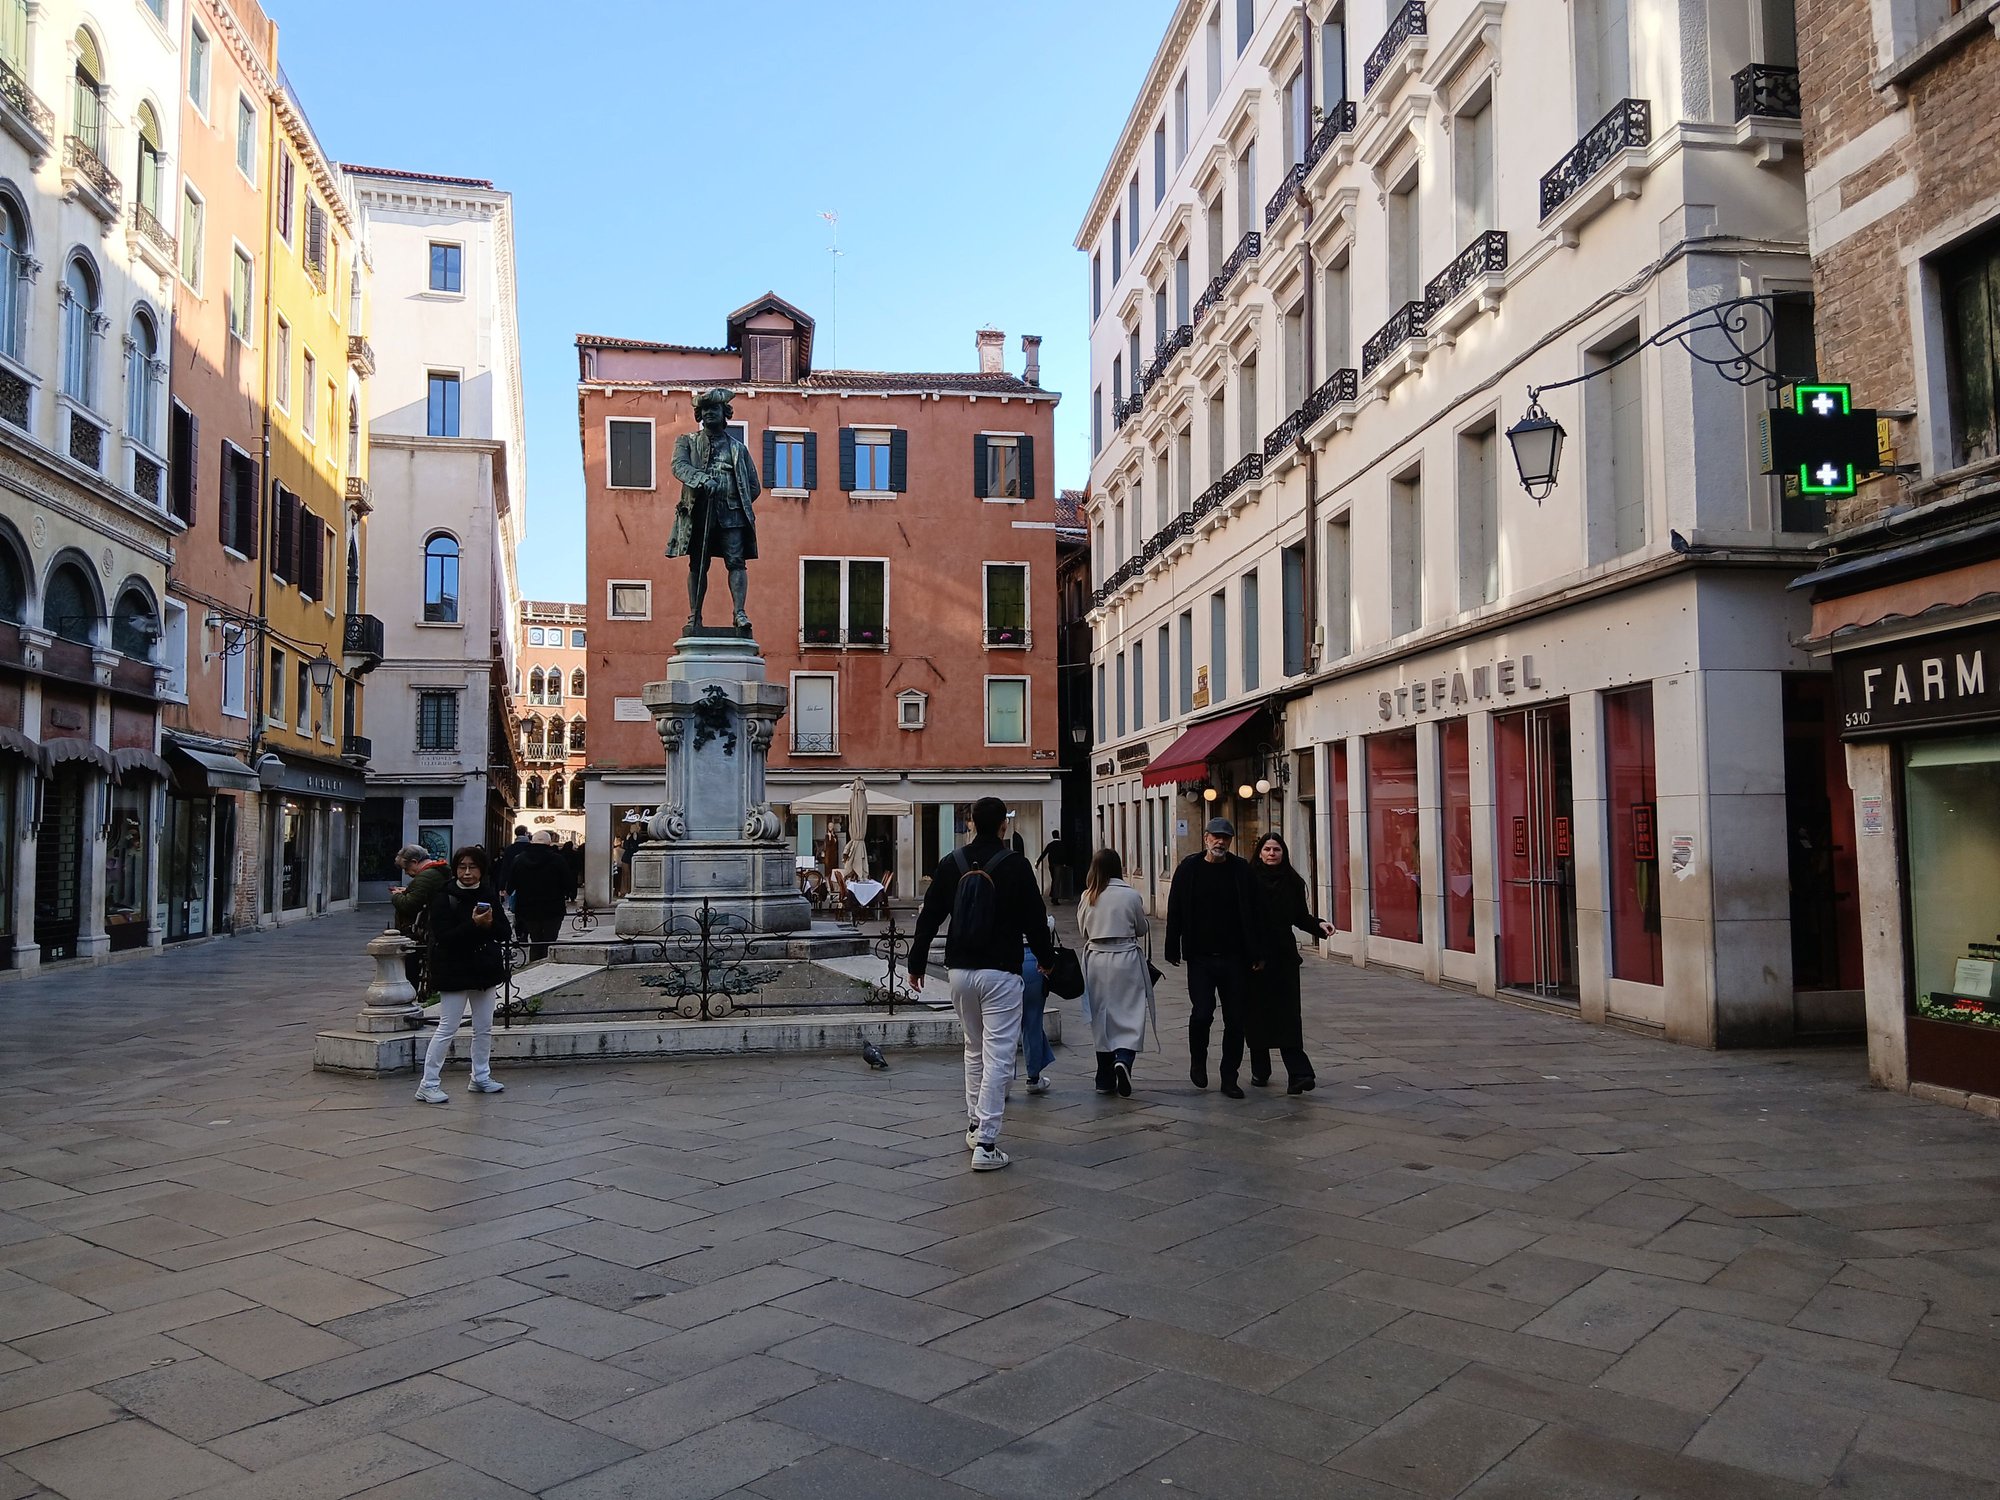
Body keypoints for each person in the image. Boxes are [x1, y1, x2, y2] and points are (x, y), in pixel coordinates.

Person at [907, 796, 1055, 1171]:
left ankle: (975, 1123)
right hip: (1001, 970)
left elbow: (929, 917)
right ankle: (987, 1143)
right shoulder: (1017, 865)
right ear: (1003, 825)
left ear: (970, 822)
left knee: (973, 1048)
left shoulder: (951, 863)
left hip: (959, 970)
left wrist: (916, 961)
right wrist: (1048, 962)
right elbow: (1036, 920)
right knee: (1000, 1055)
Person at [1163, 816, 1264, 1099]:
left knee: (1235, 1020)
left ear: (1231, 841)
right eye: (1215, 837)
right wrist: (1172, 946)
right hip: (1201, 957)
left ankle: (1229, 1077)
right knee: (1202, 1013)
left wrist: (1257, 952)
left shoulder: (1241, 870)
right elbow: (1176, 909)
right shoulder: (1189, 869)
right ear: (1205, 838)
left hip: (1235, 957)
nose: (1220, 842)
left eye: (1226, 838)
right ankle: (1198, 1061)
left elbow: (1255, 913)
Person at [416, 846, 512, 1104]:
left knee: (484, 1027)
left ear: (482, 870)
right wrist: (474, 925)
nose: (467, 872)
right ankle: (428, 1083)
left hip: (484, 970)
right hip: (454, 969)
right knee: (447, 1027)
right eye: (462, 867)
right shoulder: (443, 896)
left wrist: (490, 923)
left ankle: (480, 1075)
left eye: (472, 867)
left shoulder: (488, 894)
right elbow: (444, 937)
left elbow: (504, 933)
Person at [667, 386, 761, 631]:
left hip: (732, 514)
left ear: (725, 412)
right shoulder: (686, 442)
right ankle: (695, 615)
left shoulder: (738, 449)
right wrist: (702, 480)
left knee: (736, 562)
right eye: (705, 409)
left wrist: (735, 496)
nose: (709, 413)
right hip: (699, 513)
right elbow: (679, 466)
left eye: (714, 409)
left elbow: (754, 486)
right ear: (699, 415)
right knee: (697, 564)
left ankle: (740, 613)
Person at [1246, 833, 1333, 1094]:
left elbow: (1299, 916)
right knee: (1256, 1014)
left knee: (1288, 1016)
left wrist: (1319, 925)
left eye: (1277, 850)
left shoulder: (1293, 881)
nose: (1272, 853)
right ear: (1259, 852)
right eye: (1267, 849)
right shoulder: (1248, 880)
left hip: (1283, 957)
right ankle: (1260, 1070)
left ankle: (1299, 1073)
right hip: (1255, 957)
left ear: (1283, 853)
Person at [1078, 847, 1153, 1097]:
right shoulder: (1131, 895)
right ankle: (1124, 1059)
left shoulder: (1088, 896)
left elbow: (1083, 931)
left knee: (1101, 1016)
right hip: (1126, 959)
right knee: (1130, 1013)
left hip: (1097, 960)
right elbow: (1141, 928)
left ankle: (1104, 1078)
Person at [389, 844, 449, 992]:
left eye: (406, 868)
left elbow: (409, 905)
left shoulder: (426, 876)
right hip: (428, 929)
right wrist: (408, 891)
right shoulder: (435, 872)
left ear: (415, 862)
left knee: (411, 969)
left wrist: (397, 896)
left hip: (419, 932)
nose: (407, 873)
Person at [510, 830, 575, 960]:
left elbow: (512, 884)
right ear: (549, 843)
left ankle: (534, 968)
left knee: (535, 939)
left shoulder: (519, 859)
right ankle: (546, 968)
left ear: (532, 842)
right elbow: (568, 883)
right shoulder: (557, 860)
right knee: (549, 940)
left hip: (527, 908)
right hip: (553, 908)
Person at [1020, 932, 1055, 1095]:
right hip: (1032, 960)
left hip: (1003, 961)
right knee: (1032, 1022)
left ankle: (1000, 1082)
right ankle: (1033, 1077)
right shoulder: (1031, 905)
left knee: (1001, 1025)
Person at [497, 825, 531, 903]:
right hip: (528, 880)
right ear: (526, 833)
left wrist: (502, 885)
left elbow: (505, 868)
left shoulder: (509, 849)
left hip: (512, 881)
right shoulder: (531, 848)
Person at [1037, 830, 1067, 904]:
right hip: (1059, 865)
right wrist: (1065, 863)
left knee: (1054, 880)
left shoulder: (1050, 845)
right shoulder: (1061, 845)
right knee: (1056, 881)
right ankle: (1055, 898)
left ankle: (1053, 896)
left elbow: (1044, 853)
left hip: (1051, 865)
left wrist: (1038, 862)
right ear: (1058, 835)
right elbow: (1064, 855)